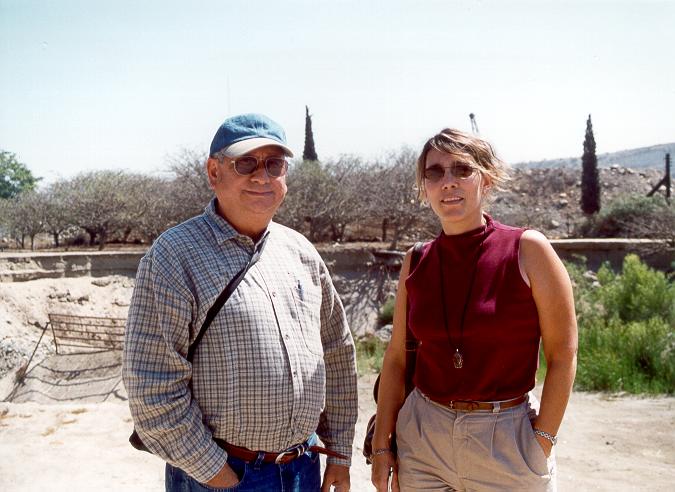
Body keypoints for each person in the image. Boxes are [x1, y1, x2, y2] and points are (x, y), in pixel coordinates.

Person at [123, 113, 357, 492]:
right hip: (223, 474)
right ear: (214, 172)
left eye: (274, 164)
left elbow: (337, 354)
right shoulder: (174, 256)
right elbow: (152, 385)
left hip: (304, 470)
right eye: (245, 163)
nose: (262, 177)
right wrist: (220, 477)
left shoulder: (300, 252)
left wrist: (340, 453)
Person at [371, 128, 578, 491]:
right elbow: (396, 360)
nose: (447, 182)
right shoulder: (416, 260)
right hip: (423, 439)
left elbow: (563, 353)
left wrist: (542, 439)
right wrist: (381, 444)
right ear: (424, 187)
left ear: (487, 178)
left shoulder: (527, 249)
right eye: (434, 172)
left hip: (505, 441)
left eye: (461, 169)